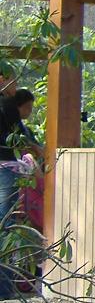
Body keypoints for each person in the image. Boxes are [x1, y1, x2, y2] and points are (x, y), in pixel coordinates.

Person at [0, 89, 37, 225]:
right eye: (28, 108)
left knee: (7, 210)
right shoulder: (9, 116)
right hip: (6, 167)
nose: (30, 112)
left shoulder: (20, 127)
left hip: (9, 167)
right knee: (6, 212)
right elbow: (24, 142)